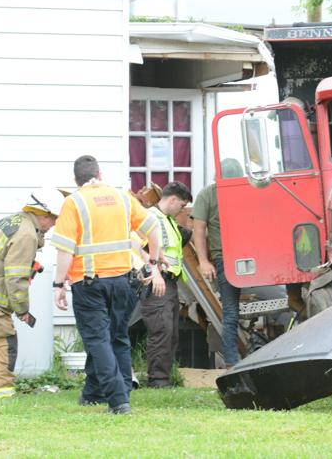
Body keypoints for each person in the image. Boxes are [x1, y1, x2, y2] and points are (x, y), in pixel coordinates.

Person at [51, 155, 164, 415]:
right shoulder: (122, 197)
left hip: (89, 283)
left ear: (76, 180)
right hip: (124, 281)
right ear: (100, 175)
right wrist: (154, 263)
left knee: (98, 340)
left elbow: (65, 250)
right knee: (117, 336)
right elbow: (153, 226)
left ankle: (117, 400)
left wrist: (58, 284)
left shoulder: (74, 202)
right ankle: (101, 392)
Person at [0, 187, 64, 399]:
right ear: (42, 214)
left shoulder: (12, 222)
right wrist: (22, 309)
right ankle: (0, 395)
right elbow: (15, 278)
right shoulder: (27, 235)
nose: (55, 223)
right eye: (53, 218)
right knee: (2, 347)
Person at [140, 181, 192, 388]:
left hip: (169, 281)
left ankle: (164, 377)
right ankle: (158, 380)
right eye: (181, 205)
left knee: (170, 332)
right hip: (158, 281)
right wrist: (154, 273)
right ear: (172, 200)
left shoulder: (167, 220)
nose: (182, 210)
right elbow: (138, 247)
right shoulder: (152, 218)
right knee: (161, 330)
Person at [191, 179, 241, 368]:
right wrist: (203, 261)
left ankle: (233, 362)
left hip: (246, 256)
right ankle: (232, 363)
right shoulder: (208, 195)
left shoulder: (212, 193)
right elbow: (199, 229)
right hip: (226, 258)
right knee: (231, 313)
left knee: (231, 313)